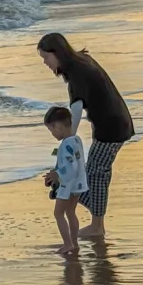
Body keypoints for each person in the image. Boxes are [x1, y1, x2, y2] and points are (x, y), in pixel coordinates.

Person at [37, 32, 134, 239]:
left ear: (57, 52)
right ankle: (94, 220)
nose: (45, 63)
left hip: (112, 127)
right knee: (93, 173)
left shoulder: (77, 73)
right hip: (114, 123)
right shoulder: (82, 61)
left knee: (96, 174)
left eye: (46, 57)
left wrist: (68, 140)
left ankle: (97, 226)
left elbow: (77, 109)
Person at [42, 104, 87, 256]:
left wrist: (57, 175)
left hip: (68, 185)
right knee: (70, 211)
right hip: (79, 183)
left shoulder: (66, 144)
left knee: (58, 213)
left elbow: (71, 166)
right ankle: (74, 243)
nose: (52, 133)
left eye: (51, 129)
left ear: (59, 126)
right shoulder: (76, 140)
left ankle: (68, 243)